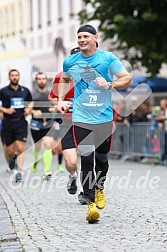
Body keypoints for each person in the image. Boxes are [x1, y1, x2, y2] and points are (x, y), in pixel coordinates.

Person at [57, 24, 132, 223]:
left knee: (102, 159)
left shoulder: (108, 59)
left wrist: (109, 84)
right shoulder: (70, 61)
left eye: (86, 37)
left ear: (95, 38)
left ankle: (100, 186)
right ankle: (90, 204)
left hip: (104, 117)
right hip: (81, 118)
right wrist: (60, 100)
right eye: (79, 37)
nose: (82, 40)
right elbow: (63, 79)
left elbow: (127, 79)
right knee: (86, 158)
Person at [49, 47, 87, 205]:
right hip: (67, 122)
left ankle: (86, 192)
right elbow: (52, 97)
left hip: (86, 121)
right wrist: (60, 102)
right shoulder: (60, 77)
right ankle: (72, 176)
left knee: (87, 159)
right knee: (71, 162)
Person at [0, 69, 32, 182]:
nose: (14, 77)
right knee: (9, 151)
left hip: (21, 122)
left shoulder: (25, 90)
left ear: (19, 77)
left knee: (20, 147)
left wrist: (28, 109)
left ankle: (19, 172)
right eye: (12, 75)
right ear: (9, 77)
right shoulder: (3, 91)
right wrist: (5, 110)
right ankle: (12, 158)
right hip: (8, 123)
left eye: (16, 75)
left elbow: (31, 101)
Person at [30, 72, 56, 179]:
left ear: (46, 80)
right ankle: (35, 161)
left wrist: (53, 109)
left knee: (48, 144)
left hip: (48, 123)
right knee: (37, 147)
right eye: (39, 79)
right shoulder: (32, 94)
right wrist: (33, 111)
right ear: (36, 81)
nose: (41, 81)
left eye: (43, 79)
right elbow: (27, 109)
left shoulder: (51, 94)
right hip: (36, 123)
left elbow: (57, 106)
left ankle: (47, 171)